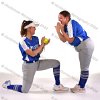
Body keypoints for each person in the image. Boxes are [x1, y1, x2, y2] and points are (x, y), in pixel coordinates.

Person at [2, 20, 68, 93]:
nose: (35, 29)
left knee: (56, 63)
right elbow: (32, 54)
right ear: (28, 28)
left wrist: (44, 45)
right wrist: (42, 44)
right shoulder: (23, 41)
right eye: (34, 27)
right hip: (29, 66)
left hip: (37, 63)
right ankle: (7, 85)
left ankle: (57, 85)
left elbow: (38, 52)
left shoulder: (36, 38)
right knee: (24, 90)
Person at [55, 10, 94, 93]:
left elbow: (70, 40)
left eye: (61, 18)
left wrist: (61, 30)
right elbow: (63, 40)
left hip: (86, 45)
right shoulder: (66, 26)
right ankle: (80, 85)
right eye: (59, 18)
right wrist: (58, 31)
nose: (59, 20)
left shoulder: (71, 24)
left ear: (67, 18)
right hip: (83, 46)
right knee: (83, 66)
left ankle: (81, 88)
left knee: (84, 67)